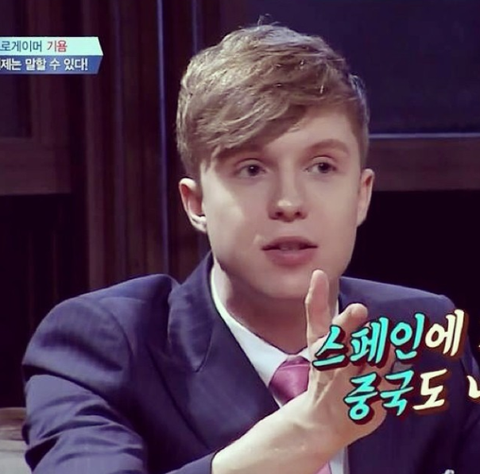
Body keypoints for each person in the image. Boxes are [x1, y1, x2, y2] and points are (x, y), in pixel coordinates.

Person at [22, 24, 480, 474]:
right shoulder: (106, 347)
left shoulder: (423, 334)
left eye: (322, 166)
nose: (289, 203)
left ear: (361, 195)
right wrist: (306, 434)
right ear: (197, 203)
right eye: (251, 169)